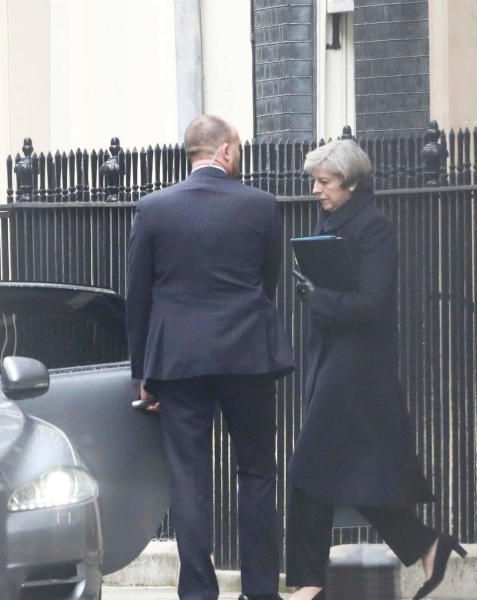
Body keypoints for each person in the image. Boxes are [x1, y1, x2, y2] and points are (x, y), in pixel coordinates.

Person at [286, 139, 465, 600]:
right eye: (314, 181)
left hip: (358, 368)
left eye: (323, 182)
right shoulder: (329, 221)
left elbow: (373, 304)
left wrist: (315, 296)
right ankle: (427, 545)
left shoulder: (374, 227)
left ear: (351, 182)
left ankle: (309, 583)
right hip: (332, 358)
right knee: (342, 469)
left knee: (310, 466)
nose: (315, 190)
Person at [125, 115, 295, 600]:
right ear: (224, 151)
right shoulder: (261, 206)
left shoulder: (154, 208)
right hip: (247, 355)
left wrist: (144, 373)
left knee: (188, 476)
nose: (239, 156)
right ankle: (260, 590)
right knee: (258, 471)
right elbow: (268, 281)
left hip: (179, 362)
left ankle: (199, 590)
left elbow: (138, 297)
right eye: (238, 148)